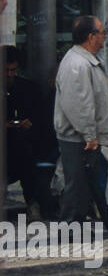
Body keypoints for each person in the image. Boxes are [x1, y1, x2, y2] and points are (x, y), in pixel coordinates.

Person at [53, 15, 108, 223]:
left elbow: (98, 88)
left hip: (85, 136)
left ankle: (79, 221)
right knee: (76, 184)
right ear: (91, 36)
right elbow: (79, 105)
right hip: (78, 138)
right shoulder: (77, 64)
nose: (104, 37)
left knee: (83, 184)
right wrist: (89, 135)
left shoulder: (87, 61)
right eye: (102, 33)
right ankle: (70, 225)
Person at [6, 46, 56, 219]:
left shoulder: (28, 88)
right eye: (6, 71)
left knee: (25, 154)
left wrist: (30, 122)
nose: (9, 75)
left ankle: (33, 202)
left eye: (13, 70)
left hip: (24, 142)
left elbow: (40, 116)